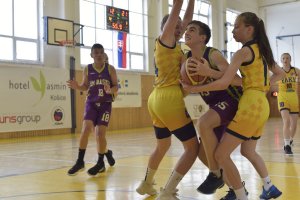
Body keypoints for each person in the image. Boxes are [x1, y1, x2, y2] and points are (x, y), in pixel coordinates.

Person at [181, 12, 284, 200]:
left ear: (249, 29)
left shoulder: (243, 52)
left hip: (250, 105)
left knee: (220, 154)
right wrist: (263, 84)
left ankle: (236, 193)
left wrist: (195, 87)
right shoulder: (261, 50)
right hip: (262, 104)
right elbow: (280, 74)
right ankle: (268, 186)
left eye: (237, 26)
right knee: (247, 151)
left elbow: (224, 83)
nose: (233, 30)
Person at [135, 1, 199, 199]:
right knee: (192, 148)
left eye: (182, 27)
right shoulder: (165, 39)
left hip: (156, 98)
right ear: (167, 27)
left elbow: (185, 19)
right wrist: (180, 5)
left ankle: (146, 183)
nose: (180, 29)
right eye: (176, 26)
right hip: (169, 97)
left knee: (163, 146)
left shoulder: (172, 45)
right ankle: (169, 190)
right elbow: (176, 14)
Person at [183, 20, 245, 199]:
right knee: (208, 153)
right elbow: (191, 90)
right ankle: (237, 189)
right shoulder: (187, 59)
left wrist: (208, 72)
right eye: (186, 30)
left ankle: (215, 174)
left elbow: (235, 79)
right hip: (212, 106)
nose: (187, 32)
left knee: (204, 125)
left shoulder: (213, 54)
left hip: (231, 99)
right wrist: (192, 108)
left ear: (202, 38)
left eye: (192, 30)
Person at [66, 43, 118, 176]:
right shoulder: (87, 69)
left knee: (100, 134)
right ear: (92, 55)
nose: (99, 55)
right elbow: (84, 86)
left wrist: (109, 90)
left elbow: (116, 87)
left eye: (101, 52)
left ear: (104, 54)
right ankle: (80, 161)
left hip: (105, 104)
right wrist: (77, 86)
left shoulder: (110, 69)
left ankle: (101, 162)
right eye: (96, 53)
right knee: (86, 129)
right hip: (91, 103)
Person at [277, 52, 299, 155]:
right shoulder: (278, 71)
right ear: (281, 60)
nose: (285, 60)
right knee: (286, 121)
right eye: (283, 58)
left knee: (294, 124)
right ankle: (286, 146)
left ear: (290, 60)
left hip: (293, 97)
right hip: (282, 97)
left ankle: (289, 140)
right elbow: (268, 81)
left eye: (287, 58)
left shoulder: (296, 70)